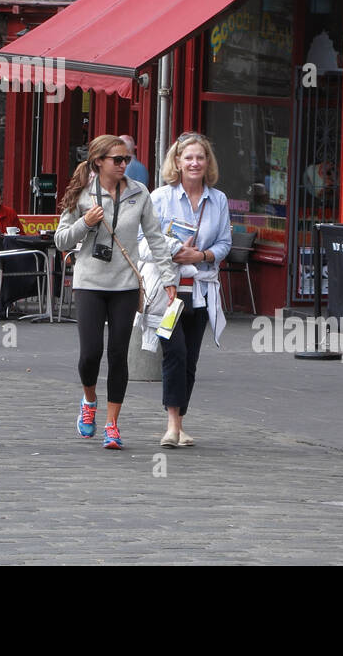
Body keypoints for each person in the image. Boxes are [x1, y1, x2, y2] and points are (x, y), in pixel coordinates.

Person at [55, 135, 176, 450]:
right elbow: (62, 240)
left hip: (125, 284)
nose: (125, 164)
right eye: (117, 159)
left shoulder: (139, 193)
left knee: (118, 354)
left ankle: (112, 424)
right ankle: (90, 400)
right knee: (90, 353)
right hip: (89, 283)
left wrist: (167, 276)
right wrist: (85, 222)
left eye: (128, 159)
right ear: (99, 161)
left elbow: (155, 237)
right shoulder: (82, 193)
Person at [140, 132, 232, 448]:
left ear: (208, 163)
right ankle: (171, 425)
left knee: (190, 359)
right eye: (188, 157)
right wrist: (174, 248)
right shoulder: (159, 198)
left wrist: (203, 255)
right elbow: (142, 242)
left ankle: (180, 424)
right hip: (169, 290)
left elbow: (224, 243)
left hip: (202, 291)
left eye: (200, 157)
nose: (194, 163)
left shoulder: (218, 200)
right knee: (174, 352)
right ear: (177, 162)